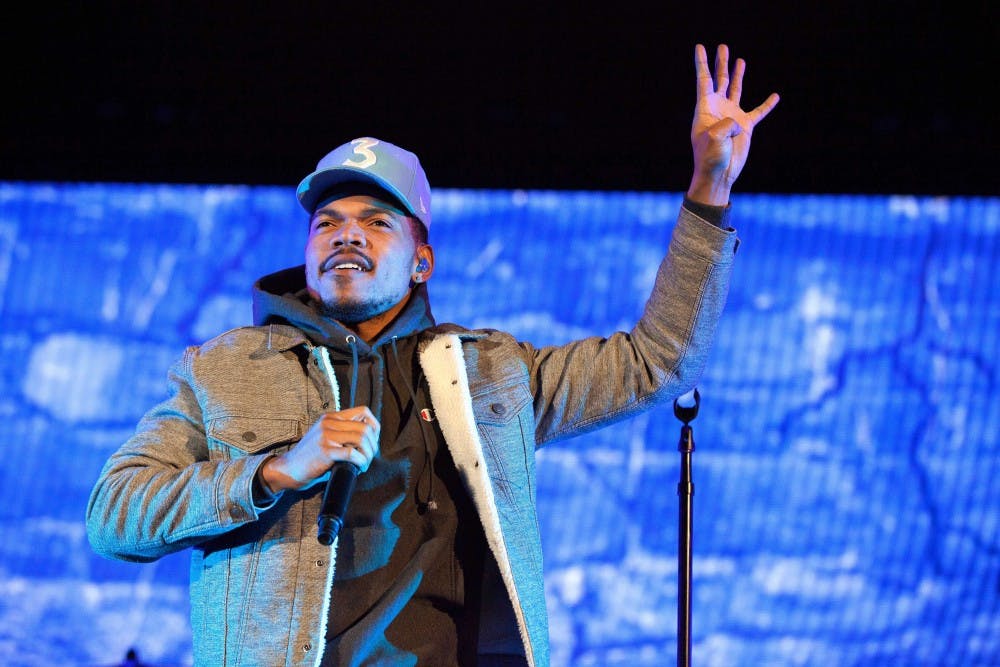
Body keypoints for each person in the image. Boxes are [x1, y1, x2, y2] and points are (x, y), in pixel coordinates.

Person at [86, 44, 778, 667]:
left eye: (375, 221)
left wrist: (708, 189)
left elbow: (656, 361)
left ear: (422, 261)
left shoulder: (490, 371)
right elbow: (113, 515)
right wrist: (272, 470)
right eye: (327, 221)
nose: (345, 235)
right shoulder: (224, 367)